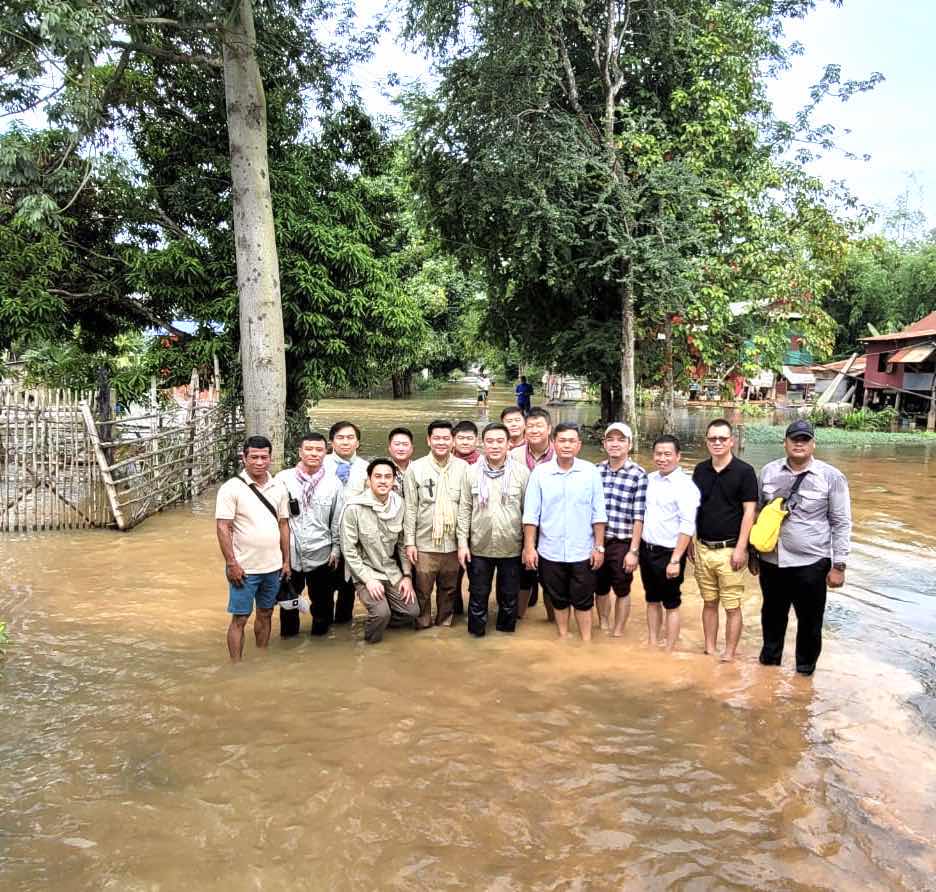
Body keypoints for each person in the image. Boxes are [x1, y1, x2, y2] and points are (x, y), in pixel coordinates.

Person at [755, 419, 851, 675]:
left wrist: (839, 565)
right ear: (785, 442)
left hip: (811, 563)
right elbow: (757, 514)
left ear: (813, 444)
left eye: (805, 439)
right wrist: (753, 555)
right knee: (771, 618)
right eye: (794, 439)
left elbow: (841, 522)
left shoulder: (831, 477)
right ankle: (768, 673)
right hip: (772, 562)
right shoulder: (768, 472)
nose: (799, 444)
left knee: (810, 623)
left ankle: (804, 676)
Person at [522, 423, 607, 641]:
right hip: (550, 550)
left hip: (582, 550)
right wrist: (529, 548)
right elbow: (531, 515)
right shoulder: (540, 473)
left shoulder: (590, 472)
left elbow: (598, 513)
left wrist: (599, 547)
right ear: (553, 443)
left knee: (584, 600)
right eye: (562, 440)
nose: (567, 445)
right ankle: (563, 636)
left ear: (579, 445)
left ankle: (586, 641)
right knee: (558, 598)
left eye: (571, 441)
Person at [215, 435, 290, 662]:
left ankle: (261, 657)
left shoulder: (279, 487)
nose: (259, 462)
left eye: (264, 457)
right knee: (240, 618)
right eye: (254, 457)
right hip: (244, 568)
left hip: (273, 567)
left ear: (270, 458)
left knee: (266, 613)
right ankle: (236, 666)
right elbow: (223, 527)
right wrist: (232, 564)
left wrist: (286, 561)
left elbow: (284, 525)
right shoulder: (231, 488)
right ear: (244, 458)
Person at [692, 419, 758, 662]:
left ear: (732, 441)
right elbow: (694, 508)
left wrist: (741, 548)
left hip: (730, 550)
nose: (717, 442)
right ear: (706, 441)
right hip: (703, 547)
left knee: (732, 605)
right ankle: (709, 649)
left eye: (722, 438)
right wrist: (691, 541)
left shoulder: (745, 472)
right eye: (713, 438)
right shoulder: (700, 470)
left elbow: (750, 512)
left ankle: (729, 653)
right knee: (709, 602)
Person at [457, 423, 530, 636]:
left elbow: (528, 512)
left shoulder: (522, 473)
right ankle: (476, 637)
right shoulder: (471, 472)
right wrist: (462, 544)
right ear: (482, 444)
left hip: (512, 546)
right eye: (490, 441)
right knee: (478, 596)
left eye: (500, 441)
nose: (495, 446)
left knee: (509, 597)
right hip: (479, 546)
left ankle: (505, 640)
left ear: (509, 444)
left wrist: (528, 546)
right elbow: (464, 510)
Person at [340, 459, 419, 644]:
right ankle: (370, 644)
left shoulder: (399, 505)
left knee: (412, 611)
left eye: (388, 477)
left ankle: (384, 622)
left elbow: (402, 544)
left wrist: (407, 576)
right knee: (381, 613)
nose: (383, 481)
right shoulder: (354, 508)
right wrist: (368, 580)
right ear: (369, 480)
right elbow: (349, 550)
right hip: (365, 571)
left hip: (390, 570)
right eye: (378, 476)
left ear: (394, 481)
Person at [274, 432, 343, 638]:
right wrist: (279, 555)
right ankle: (288, 644)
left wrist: (336, 549)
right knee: (288, 604)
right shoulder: (283, 479)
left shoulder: (334, 483)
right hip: (290, 554)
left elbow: (336, 520)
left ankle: (320, 645)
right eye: (309, 449)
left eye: (319, 450)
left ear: (326, 453)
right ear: (300, 452)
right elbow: (275, 519)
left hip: (321, 553)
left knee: (322, 605)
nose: (314, 453)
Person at [403, 420, 469, 627]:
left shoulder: (463, 468)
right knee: (422, 591)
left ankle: (444, 627)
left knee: (449, 591)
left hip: (452, 543)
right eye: (437, 438)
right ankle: (423, 628)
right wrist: (410, 542)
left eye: (446, 438)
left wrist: (463, 543)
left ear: (453, 442)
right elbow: (410, 508)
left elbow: (465, 508)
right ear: (428, 440)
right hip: (425, 542)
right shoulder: (415, 468)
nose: (441, 442)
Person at [639, 435, 700, 651]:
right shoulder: (650, 479)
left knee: (671, 603)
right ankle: (653, 642)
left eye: (667, 454)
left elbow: (687, 525)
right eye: (658, 454)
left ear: (678, 456)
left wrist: (675, 560)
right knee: (651, 599)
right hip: (647, 549)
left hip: (670, 553)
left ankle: (669, 649)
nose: (662, 458)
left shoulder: (685, 486)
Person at [596, 423, 647, 637]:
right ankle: (603, 624)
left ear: (630, 444)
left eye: (621, 440)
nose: (615, 444)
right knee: (599, 586)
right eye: (610, 439)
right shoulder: (596, 471)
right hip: (598, 540)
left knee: (622, 587)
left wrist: (633, 551)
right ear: (604, 444)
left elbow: (639, 516)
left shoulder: (638, 474)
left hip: (623, 541)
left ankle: (618, 630)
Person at [511, 407, 555, 618]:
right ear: (524, 429)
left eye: (539, 426)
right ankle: (518, 619)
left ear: (549, 428)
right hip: (520, 524)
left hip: (551, 525)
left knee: (551, 577)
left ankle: (553, 620)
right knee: (523, 575)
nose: (534, 430)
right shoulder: (513, 456)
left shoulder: (561, 454)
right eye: (530, 426)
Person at [324, 421, 368, 628]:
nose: (345, 442)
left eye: (350, 438)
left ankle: (343, 632)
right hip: (324, 537)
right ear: (331, 442)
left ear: (357, 442)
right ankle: (323, 629)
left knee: (347, 589)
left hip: (353, 538)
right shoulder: (320, 465)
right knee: (323, 590)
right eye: (340, 438)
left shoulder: (366, 468)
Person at [387, 426, 415, 496]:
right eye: (397, 444)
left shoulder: (419, 469)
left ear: (412, 448)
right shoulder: (381, 469)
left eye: (405, 444)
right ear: (389, 447)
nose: (401, 449)